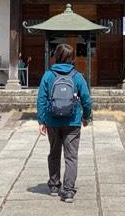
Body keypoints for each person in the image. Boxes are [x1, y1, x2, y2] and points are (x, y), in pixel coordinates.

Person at [36, 43, 92, 203]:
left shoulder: (48, 75)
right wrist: (86, 116)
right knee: (71, 156)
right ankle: (68, 191)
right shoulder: (77, 76)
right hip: (72, 121)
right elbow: (86, 99)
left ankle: (54, 185)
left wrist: (41, 120)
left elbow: (41, 98)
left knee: (54, 152)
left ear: (56, 56)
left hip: (52, 120)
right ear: (72, 58)